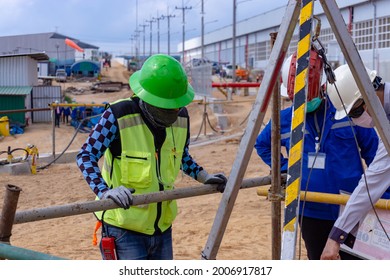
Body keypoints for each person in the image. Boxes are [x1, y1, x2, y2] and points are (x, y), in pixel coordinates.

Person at [76, 54, 227, 260]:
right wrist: (105, 192)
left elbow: (181, 157)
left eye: (176, 105)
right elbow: (86, 155)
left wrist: (204, 177)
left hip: (162, 228)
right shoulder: (118, 115)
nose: (174, 111)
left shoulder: (181, 118)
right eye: (168, 108)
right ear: (149, 99)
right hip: (124, 229)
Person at [254, 49, 380, 260]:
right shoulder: (286, 119)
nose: (305, 102)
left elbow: (375, 155)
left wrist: (382, 196)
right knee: (319, 258)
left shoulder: (347, 111)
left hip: (351, 207)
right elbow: (262, 145)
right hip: (310, 209)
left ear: (324, 87)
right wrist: (285, 169)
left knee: (358, 261)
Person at [321, 64, 390, 260]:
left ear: (366, 98)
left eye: (353, 114)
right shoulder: (384, 119)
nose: (354, 120)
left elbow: (374, 179)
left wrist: (335, 237)